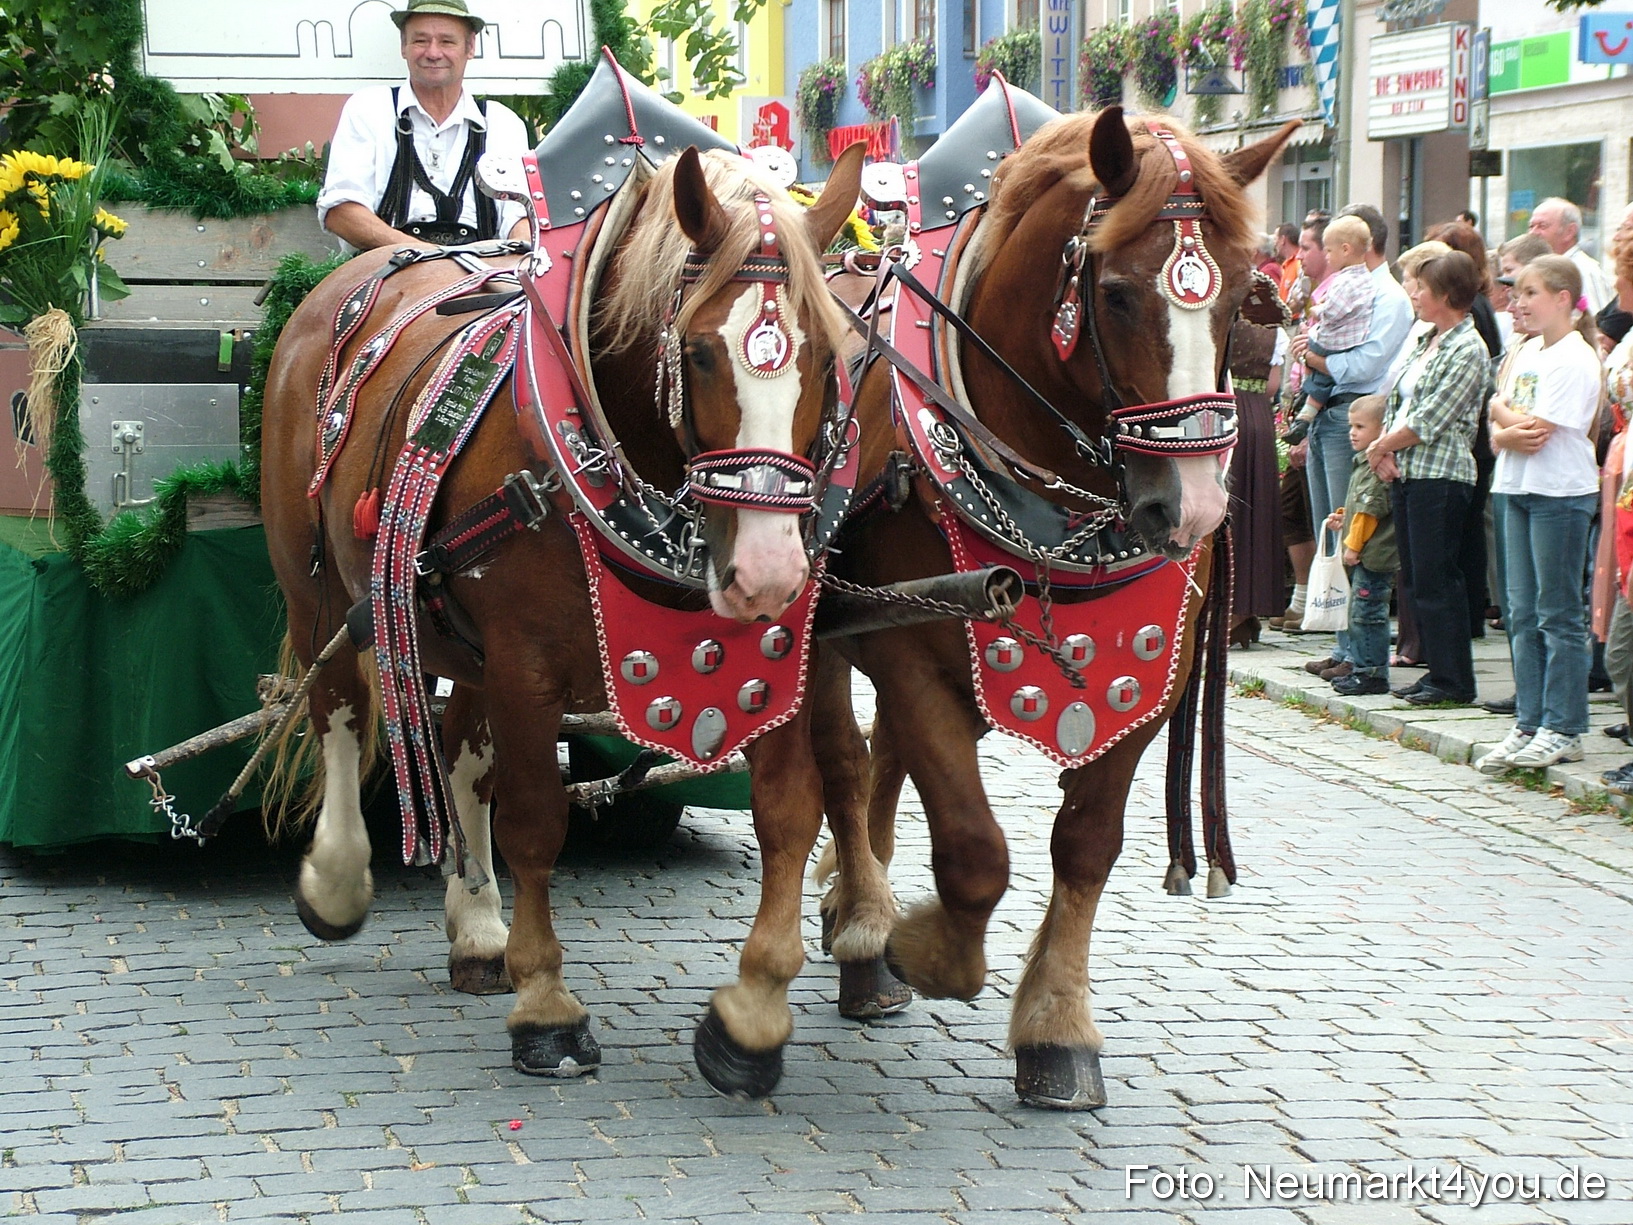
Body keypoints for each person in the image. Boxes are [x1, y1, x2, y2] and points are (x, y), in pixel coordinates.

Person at [1475, 256, 1604, 771]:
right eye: (1517, 293)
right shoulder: (1526, 351)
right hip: (1514, 487)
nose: (1518, 303)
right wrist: (1505, 426)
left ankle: (1565, 724)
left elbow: (1534, 432)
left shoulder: (1574, 358)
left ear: (1562, 300)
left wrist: (1503, 426)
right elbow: (1499, 412)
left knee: (1558, 612)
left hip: (1559, 494)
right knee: (1520, 611)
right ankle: (1529, 720)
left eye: (1530, 293)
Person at [1290, 204, 1414, 671]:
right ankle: (1342, 644)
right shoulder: (1344, 286)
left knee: (1351, 529)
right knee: (1329, 527)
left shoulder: (1389, 296)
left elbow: (1366, 364)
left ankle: (1360, 651)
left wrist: (1316, 360)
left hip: (1354, 414)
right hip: (1329, 414)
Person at [1365, 252, 1491, 707]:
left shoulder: (1467, 348)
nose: (1414, 295)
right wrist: (1382, 451)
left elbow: (1430, 418)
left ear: (1446, 295)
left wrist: (1379, 447)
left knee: (1439, 578)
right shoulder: (1426, 339)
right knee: (1417, 578)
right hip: (1408, 471)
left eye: (1422, 288)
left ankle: (1455, 680)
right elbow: (1398, 403)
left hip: (1441, 475)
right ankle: (1437, 671)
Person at [316, 0, 530, 252]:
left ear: (470, 47)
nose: (433, 52)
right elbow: (341, 212)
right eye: (420, 40)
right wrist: (430, 259)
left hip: (485, 277)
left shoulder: (502, 123)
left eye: (447, 41)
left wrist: (512, 260)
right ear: (403, 46)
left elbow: (520, 217)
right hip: (386, 272)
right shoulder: (369, 108)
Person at [1271, 217, 1330, 632]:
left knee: (1319, 514)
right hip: (1298, 410)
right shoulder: (1310, 293)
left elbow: (1333, 369)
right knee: (1292, 508)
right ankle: (1304, 597)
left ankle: (1320, 603)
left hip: (1323, 416)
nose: (1299, 255)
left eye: (1307, 247)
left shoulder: (1337, 296)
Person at [1318, 395, 1397, 696]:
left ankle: (1371, 672)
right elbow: (1357, 510)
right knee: (1360, 610)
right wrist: (1343, 518)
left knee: (1367, 613)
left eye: (1361, 427)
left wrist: (1352, 545)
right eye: (1351, 426)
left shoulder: (1374, 466)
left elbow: (1369, 511)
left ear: (1382, 430)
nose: (1352, 432)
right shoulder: (1362, 462)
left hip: (1372, 554)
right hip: (1365, 551)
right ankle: (1364, 667)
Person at [1227, 318, 1288, 647]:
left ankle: (1233, 612)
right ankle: (1246, 614)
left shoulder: (1217, 321)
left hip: (1225, 413)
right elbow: (1271, 386)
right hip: (1259, 418)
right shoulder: (1273, 333)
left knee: (1231, 512)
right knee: (1257, 510)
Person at [1286, 215, 1373, 437]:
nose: (1327, 256)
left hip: (1336, 340)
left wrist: (1317, 311)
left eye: (1328, 251)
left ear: (1345, 250)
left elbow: (1334, 311)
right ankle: (1305, 410)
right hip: (1348, 339)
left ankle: (1305, 409)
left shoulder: (1344, 280)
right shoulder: (1366, 278)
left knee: (1316, 367)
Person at [1529, 196, 1612, 315]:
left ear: (1570, 232)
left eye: (1542, 226)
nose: (1533, 233)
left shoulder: (1583, 271)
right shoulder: (1543, 269)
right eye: (1531, 226)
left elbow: (1597, 325)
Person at [1274, 222, 1303, 309]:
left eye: (1275, 239)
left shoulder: (1300, 263)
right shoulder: (1286, 265)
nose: (1274, 243)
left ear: (1283, 240)